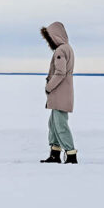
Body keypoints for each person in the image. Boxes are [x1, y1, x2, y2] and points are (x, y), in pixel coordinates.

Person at [39, 21, 77, 164]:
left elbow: (60, 73)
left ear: (55, 36)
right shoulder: (68, 49)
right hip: (61, 94)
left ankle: (71, 154)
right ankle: (55, 154)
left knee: (60, 125)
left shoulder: (61, 50)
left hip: (60, 94)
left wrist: (49, 86)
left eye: (50, 37)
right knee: (53, 124)